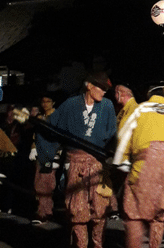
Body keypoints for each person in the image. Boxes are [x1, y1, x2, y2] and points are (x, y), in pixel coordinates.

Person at [36, 72, 117, 248]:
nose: (104, 92)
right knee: (77, 210)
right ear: (89, 86)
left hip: (97, 163)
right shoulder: (70, 105)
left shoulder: (107, 105)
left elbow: (113, 134)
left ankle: (98, 245)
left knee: (100, 210)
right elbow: (51, 128)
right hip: (74, 164)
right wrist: (47, 157)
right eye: (101, 88)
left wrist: (110, 155)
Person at [113, 82, 164, 248]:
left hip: (143, 165)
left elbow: (125, 135)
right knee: (158, 214)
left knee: (133, 211)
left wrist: (121, 160)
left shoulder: (140, 110)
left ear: (149, 95)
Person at [31, 95, 57, 224]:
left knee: (45, 182)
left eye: (48, 101)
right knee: (40, 181)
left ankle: (43, 212)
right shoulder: (41, 117)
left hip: (50, 153)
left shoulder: (56, 117)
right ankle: (45, 210)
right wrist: (33, 147)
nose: (45, 104)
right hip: (41, 152)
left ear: (53, 102)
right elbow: (36, 134)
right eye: (43, 101)